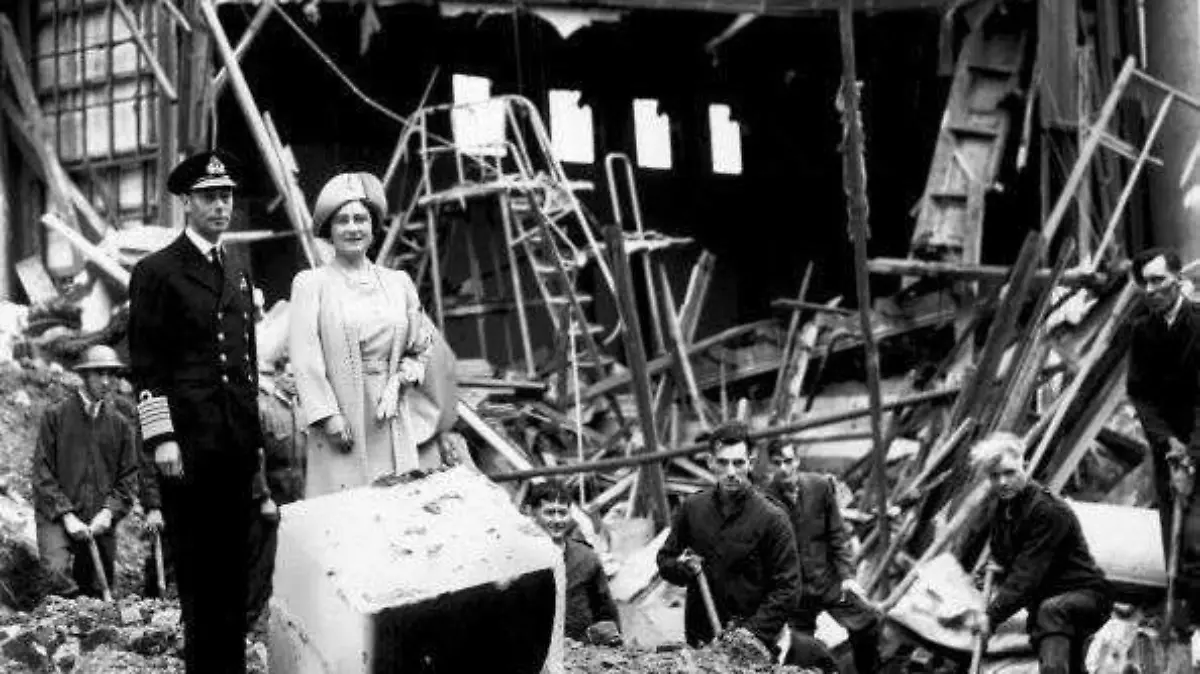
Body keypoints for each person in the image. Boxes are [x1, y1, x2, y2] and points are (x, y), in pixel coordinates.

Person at [127, 149, 264, 673]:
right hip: (187, 448)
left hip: (233, 445)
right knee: (200, 574)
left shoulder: (236, 270)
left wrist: (251, 440)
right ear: (186, 202)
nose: (220, 206)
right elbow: (146, 364)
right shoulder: (157, 272)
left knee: (234, 575)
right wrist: (161, 438)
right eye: (209, 197)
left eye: (226, 196)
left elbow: (245, 364)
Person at [289, 172, 459, 498]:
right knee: (349, 509)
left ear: (373, 226)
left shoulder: (399, 283)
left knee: (397, 504)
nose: (353, 228)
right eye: (342, 220)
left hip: (392, 414)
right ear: (329, 229)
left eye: (360, 219)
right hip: (343, 417)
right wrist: (328, 417)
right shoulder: (311, 284)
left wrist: (398, 384)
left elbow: (420, 347)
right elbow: (305, 357)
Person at [950, 432, 1113, 674]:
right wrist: (987, 573)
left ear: (1023, 466)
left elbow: (1027, 573)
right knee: (1069, 660)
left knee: (1050, 613)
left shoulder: (1047, 511)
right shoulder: (1002, 508)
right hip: (1045, 605)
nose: (1003, 482)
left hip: (1086, 596)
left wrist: (992, 616)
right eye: (995, 476)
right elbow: (1006, 556)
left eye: (1009, 473)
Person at [656, 422, 801, 660]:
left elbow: (788, 589)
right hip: (701, 640)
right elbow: (665, 560)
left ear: (751, 463)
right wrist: (683, 568)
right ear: (711, 462)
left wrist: (748, 636)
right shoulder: (692, 509)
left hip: (752, 646)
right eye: (723, 462)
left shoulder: (773, 518)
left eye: (739, 463)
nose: (731, 472)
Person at [1126, 247, 1200, 635]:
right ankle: (1184, 624)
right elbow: (1140, 394)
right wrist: (1168, 444)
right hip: (1168, 448)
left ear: (1177, 279)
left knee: (1196, 538)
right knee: (1171, 528)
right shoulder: (1143, 331)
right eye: (1145, 282)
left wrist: (1191, 455)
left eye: (1159, 280)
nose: (1151, 289)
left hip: (1198, 443)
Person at [763, 441, 881, 672]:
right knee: (800, 653)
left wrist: (847, 576)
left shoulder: (819, 487)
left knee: (867, 621)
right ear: (770, 466)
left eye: (788, 461)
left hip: (828, 582)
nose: (784, 469)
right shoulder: (765, 502)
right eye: (778, 463)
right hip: (795, 594)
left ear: (797, 461)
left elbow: (837, 534)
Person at [32, 345, 139, 598]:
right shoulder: (55, 416)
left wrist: (108, 512)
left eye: (111, 374)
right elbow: (42, 473)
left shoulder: (121, 425)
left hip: (97, 522)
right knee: (56, 574)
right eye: (98, 373)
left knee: (97, 591)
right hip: (57, 518)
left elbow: (128, 479)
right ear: (84, 376)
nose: (106, 381)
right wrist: (66, 515)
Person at [524, 480, 622, 645]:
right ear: (532, 514)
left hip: (580, 652)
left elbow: (606, 613)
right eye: (549, 512)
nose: (557, 520)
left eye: (562, 513)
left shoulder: (585, 558)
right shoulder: (519, 560)